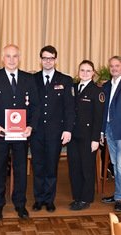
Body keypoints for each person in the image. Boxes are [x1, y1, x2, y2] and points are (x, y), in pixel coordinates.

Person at [0, 44, 40, 220]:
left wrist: (31, 126)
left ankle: (20, 204)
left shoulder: (28, 79)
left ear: (19, 58)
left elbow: (36, 106)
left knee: (21, 169)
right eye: (8, 56)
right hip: (0, 134)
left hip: (22, 134)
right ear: (2, 58)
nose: (12, 60)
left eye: (15, 56)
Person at [30, 45, 75, 212]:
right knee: (38, 165)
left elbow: (69, 108)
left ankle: (49, 199)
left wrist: (68, 129)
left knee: (51, 166)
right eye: (44, 58)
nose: (47, 61)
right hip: (36, 132)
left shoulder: (65, 80)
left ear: (55, 59)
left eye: (51, 58)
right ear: (40, 59)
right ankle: (38, 199)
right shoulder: (32, 79)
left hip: (56, 132)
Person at [67, 60, 105, 210]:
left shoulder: (97, 91)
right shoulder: (73, 88)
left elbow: (98, 117)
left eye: (88, 71)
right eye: (82, 70)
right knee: (74, 168)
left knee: (86, 168)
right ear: (78, 72)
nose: (84, 73)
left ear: (93, 73)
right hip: (73, 135)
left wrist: (95, 138)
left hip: (88, 137)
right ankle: (77, 196)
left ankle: (86, 199)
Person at [101, 56, 121, 211]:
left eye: (117, 65)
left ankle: (119, 197)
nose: (114, 68)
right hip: (109, 129)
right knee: (115, 165)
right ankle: (117, 195)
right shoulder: (106, 85)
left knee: (120, 166)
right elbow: (103, 110)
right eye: (112, 66)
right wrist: (102, 130)